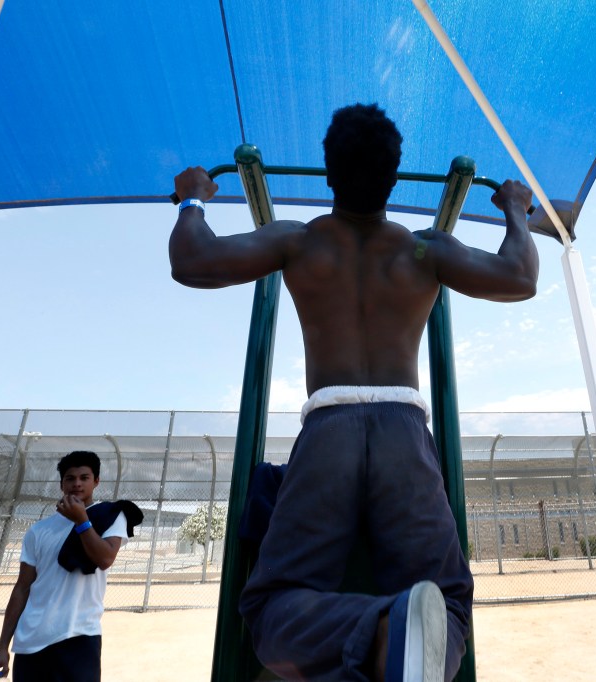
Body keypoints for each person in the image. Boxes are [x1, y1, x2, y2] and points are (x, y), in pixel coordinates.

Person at [170, 102, 538, 681]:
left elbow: (190, 260)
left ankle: (380, 629)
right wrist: (516, 208)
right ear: (393, 178)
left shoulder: (299, 240)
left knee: (270, 605)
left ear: (329, 174)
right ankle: (400, 631)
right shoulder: (426, 249)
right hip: (404, 431)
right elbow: (519, 277)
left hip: (329, 428)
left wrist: (194, 197)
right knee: (447, 604)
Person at [0, 451, 142, 682]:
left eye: (84, 477)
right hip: (31, 642)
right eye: (70, 478)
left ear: (96, 481)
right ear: (61, 484)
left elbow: (105, 558)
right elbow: (22, 588)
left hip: (78, 636)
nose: (77, 483)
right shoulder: (39, 530)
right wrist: (1, 647)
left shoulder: (108, 516)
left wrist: (81, 520)